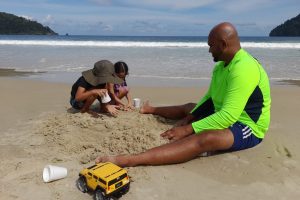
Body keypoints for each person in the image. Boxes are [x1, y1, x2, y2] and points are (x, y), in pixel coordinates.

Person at [95, 22, 271, 167]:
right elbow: (210, 98)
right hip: (224, 113)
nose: (209, 50)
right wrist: (190, 118)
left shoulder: (244, 68)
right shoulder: (220, 66)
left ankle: (129, 160)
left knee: (206, 138)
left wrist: (187, 129)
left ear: (223, 45)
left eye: (211, 46)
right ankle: (151, 109)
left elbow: (228, 116)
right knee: (190, 108)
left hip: (246, 126)